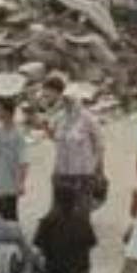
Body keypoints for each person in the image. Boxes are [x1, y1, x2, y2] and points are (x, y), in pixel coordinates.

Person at [46, 73, 105, 214]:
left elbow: (100, 145)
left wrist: (97, 167)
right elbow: (55, 137)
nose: (67, 103)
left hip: (82, 172)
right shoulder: (60, 118)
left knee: (81, 210)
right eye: (65, 100)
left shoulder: (88, 119)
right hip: (62, 171)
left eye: (70, 100)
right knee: (62, 211)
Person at [32, 183, 97, 273]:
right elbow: (91, 243)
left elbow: (38, 245)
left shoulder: (48, 222)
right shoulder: (82, 221)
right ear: (74, 201)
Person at [0, 94, 28, 221]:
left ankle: (13, 238)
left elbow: (24, 160)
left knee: (10, 214)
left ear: (6, 111)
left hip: (10, 180)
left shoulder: (18, 133)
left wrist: (21, 183)